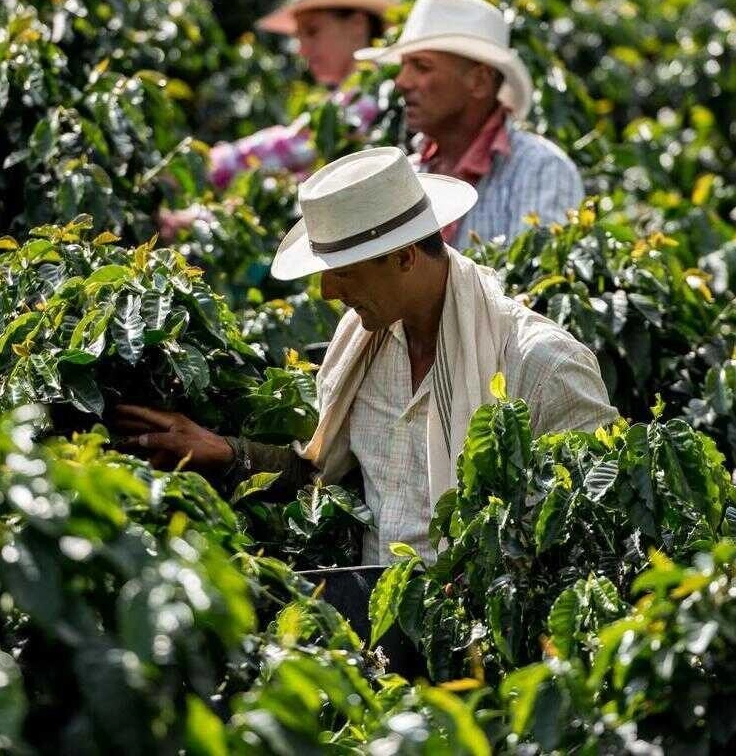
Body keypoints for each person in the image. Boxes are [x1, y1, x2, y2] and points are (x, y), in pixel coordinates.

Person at [118, 148, 618, 565]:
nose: (327, 290)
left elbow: (594, 533)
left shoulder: (542, 365)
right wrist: (225, 451)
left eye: (344, 271)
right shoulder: (364, 344)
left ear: (404, 257)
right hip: (378, 633)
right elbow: (322, 475)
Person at [354, 0, 584, 247]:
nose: (402, 82)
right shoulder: (410, 174)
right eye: (404, 66)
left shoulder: (540, 170)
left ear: (480, 81)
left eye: (422, 66)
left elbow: (534, 281)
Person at [206, 0, 397, 189]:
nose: (301, 49)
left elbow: (298, 145)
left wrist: (211, 164)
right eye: (299, 36)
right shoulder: (343, 97)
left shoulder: (376, 91)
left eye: (312, 31)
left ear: (357, 25)